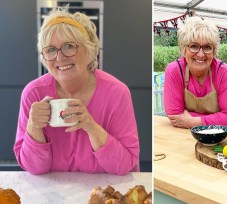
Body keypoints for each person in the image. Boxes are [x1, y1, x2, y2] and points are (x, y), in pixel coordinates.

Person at [14, 7, 139, 175]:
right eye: (50, 49)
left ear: (89, 51)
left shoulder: (116, 93)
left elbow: (124, 165)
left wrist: (91, 127)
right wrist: (34, 126)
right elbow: (34, 169)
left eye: (69, 46)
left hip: (106, 196)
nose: (59, 57)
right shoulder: (33, 94)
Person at [163, 16, 227, 129]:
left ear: (214, 51)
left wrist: (191, 122)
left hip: (219, 138)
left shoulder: (224, 72)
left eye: (207, 47)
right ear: (183, 48)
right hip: (184, 136)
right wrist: (218, 118)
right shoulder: (175, 71)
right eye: (194, 46)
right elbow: (175, 116)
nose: (200, 54)